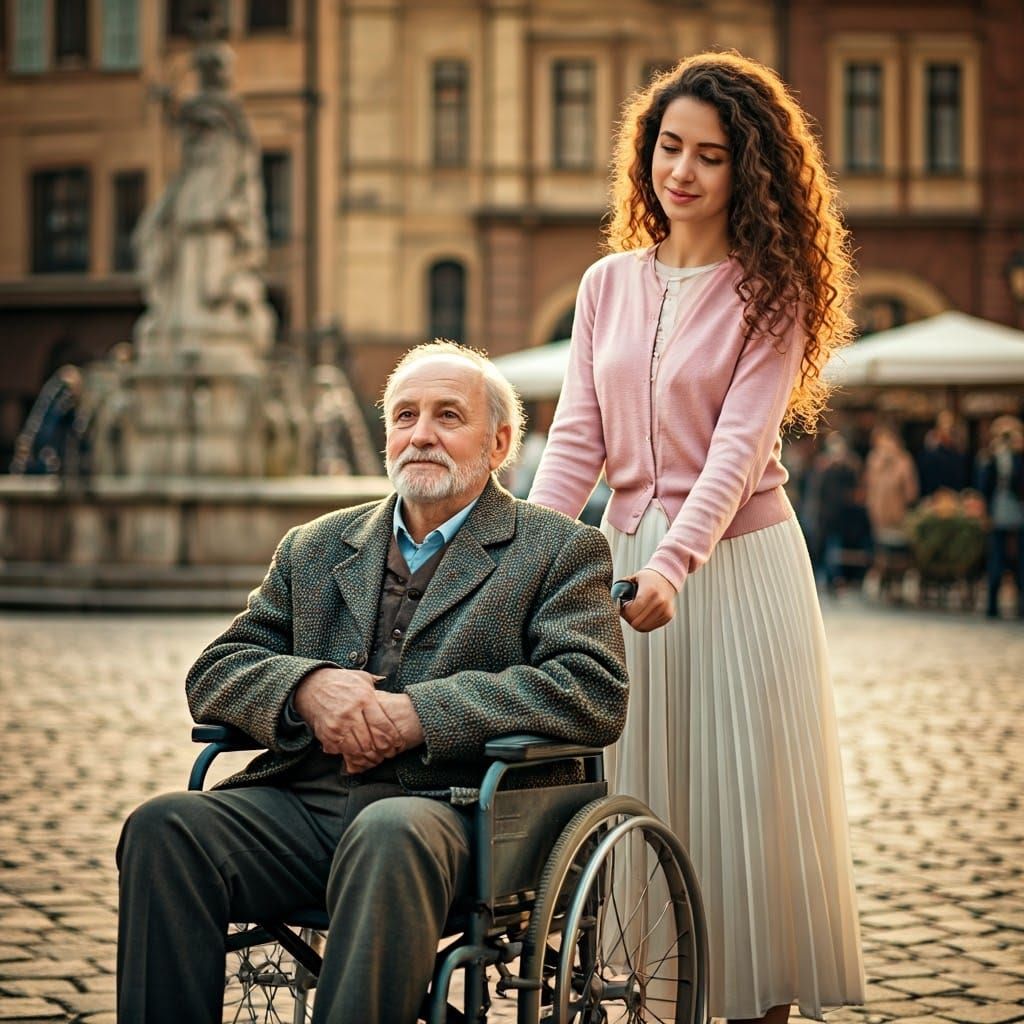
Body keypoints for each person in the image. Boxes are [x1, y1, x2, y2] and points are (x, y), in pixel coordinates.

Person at [115, 340, 629, 1024]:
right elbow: (216, 671)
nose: (421, 435)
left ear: (500, 441)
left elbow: (591, 687)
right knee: (165, 828)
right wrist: (307, 686)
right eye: (405, 416)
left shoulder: (559, 549)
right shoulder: (316, 545)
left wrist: (423, 713)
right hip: (307, 807)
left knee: (389, 831)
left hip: (458, 814)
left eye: (448, 416)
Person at [529, 51, 865, 1024]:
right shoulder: (605, 283)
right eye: (668, 146)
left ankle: (761, 1008)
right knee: (645, 801)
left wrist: (677, 562)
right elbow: (576, 443)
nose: (681, 171)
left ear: (747, 170)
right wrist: (524, 560)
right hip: (626, 563)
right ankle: (661, 997)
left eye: (707, 156)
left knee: (741, 803)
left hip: (734, 569)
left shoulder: (774, 290)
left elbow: (736, 448)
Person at [975, 414, 1024, 618]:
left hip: (1019, 513)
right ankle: (992, 606)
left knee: (1021, 561)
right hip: (997, 513)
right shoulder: (990, 457)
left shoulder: (1020, 457)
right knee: (995, 559)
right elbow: (981, 485)